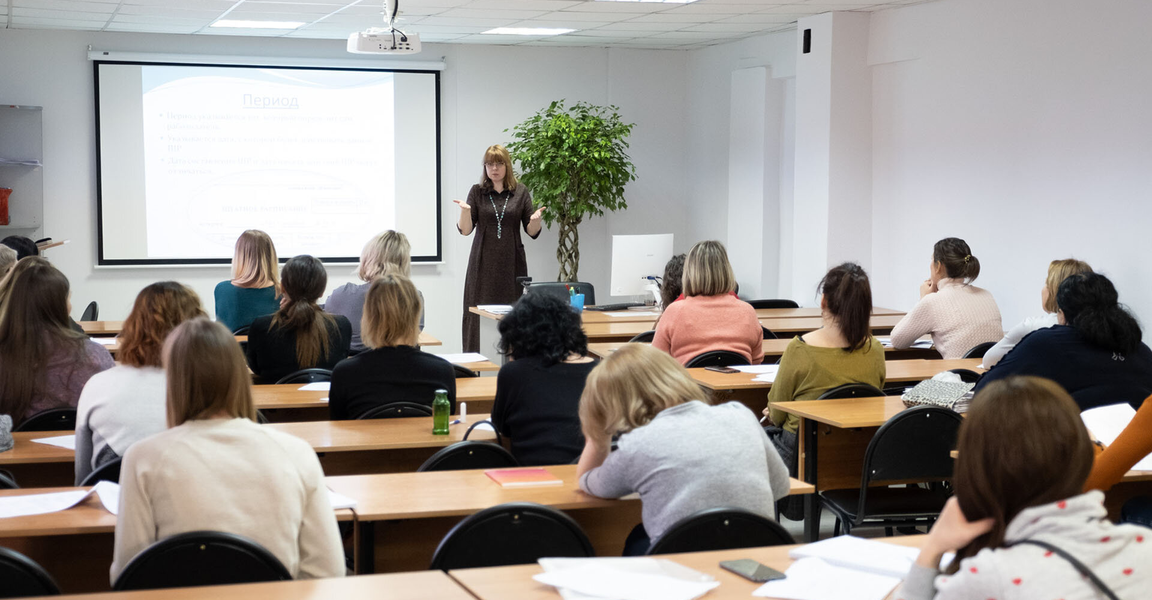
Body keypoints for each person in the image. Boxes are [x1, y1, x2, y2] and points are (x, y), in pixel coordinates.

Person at [111, 318, 344, 582]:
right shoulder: (297, 452)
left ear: (173, 382)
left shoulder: (142, 459)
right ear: (238, 375)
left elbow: (128, 573)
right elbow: (328, 570)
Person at [894, 376, 1152, 600]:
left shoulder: (986, 578)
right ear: (1083, 455)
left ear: (976, 466)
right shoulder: (1144, 546)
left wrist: (933, 547)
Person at [577, 344, 790, 555]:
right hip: (759, 552)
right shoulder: (740, 413)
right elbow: (781, 486)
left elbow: (591, 483)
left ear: (616, 402)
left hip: (681, 560)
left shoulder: (639, 443)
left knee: (637, 538)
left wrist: (597, 437)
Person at [75, 282, 205, 484]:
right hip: (193, 500)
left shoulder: (98, 385)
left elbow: (83, 477)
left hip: (114, 503)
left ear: (134, 325)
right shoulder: (212, 385)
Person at [762, 263, 886, 470]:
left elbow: (776, 415)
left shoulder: (800, 348)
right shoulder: (875, 349)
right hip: (859, 451)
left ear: (824, 301)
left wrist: (772, 412)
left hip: (802, 454)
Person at [975, 272, 1152, 411]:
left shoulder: (1048, 342)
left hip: (1072, 450)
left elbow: (984, 391)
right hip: (1138, 453)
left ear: (1062, 313)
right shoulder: (1140, 350)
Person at [0, 257, 114, 425]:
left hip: (12, 448)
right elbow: (112, 410)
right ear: (62, 305)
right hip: (82, 447)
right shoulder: (94, 356)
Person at [456, 144, 545, 352]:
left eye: (498, 163)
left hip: (512, 264)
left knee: (513, 317)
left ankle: (513, 366)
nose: (494, 168)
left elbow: (532, 231)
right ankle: (474, 369)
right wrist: (465, 211)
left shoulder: (520, 192)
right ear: (485, 167)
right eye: (489, 164)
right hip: (482, 264)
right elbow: (466, 230)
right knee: (476, 316)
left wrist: (536, 220)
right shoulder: (477, 192)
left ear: (507, 166)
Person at [329, 274, 456, 420]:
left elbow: (337, 428)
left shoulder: (345, 373)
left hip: (368, 442)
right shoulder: (442, 371)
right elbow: (446, 423)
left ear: (369, 317)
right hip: (423, 443)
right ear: (415, 316)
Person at [491, 293, 597, 466]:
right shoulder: (600, 371)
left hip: (536, 477)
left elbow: (502, 431)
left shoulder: (514, 373)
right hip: (592, 474)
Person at [652, 240, 763, 365]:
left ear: (689, 273)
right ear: (727, 270)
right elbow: (756, 360)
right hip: (736, 382)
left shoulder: (674, 311)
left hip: (689, 384)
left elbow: (657, 362)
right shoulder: (747, 311)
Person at [889, 237, 1003, 359]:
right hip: (995, 375)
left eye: (932, 260)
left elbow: (898, 340)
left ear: (938, 266)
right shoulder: (986, 294)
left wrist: (923, 300)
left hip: (958, 377)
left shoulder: (932, 301)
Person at [247, 255, 352, 384]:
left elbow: (256, 368)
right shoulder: (341, 326)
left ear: (282, 287)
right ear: (322, 291)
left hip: (276, 402)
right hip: (326, 402)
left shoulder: (262, 326)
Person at [982, 258, 1092, 368]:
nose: (1043, 289)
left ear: (1055, 291)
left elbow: (989, 361)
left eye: (1046, 283)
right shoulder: (1098, 326)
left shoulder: (1032, 326)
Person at [326, 230, 424, 353]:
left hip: (353, 369)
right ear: (404, 263)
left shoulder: (342, 294)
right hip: (398, 368)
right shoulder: (413, 297)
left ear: (368, 259)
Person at [214, 229, 280, 333]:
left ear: (239, 257)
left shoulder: (222, 289)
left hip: (234, 349)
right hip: (271, 349)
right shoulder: (283, 292)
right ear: (271, 256)